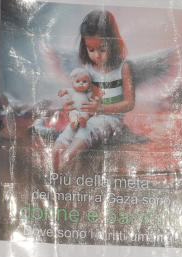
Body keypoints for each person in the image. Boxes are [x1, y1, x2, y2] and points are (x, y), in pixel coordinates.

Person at [56, 10, 136, 169]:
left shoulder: (123, 68)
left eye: (102, 49)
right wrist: (70, 105)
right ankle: (55, 173)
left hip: (110, 118)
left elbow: (129, 103)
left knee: (81, 138)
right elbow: (83, 93)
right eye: (91, 50)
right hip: (87, 115)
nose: (96, 55)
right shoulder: (88, 69)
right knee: (63, 139)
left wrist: (100, 108)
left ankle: (66, 165)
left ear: (113, 44)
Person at [52, 68, 99, 170]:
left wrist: (97, 99)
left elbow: (95, 98)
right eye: (78, 81)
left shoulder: (88, 94)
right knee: (73, 113)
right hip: (75, 111)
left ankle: (82, 122)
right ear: (73, 83)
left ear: (89, 84)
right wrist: (62, 92)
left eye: (84, 82)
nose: (81, 84)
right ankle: (74, 123)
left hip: (83, 111)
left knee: (85, 113)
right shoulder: (72, 91)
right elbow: (65, 91)